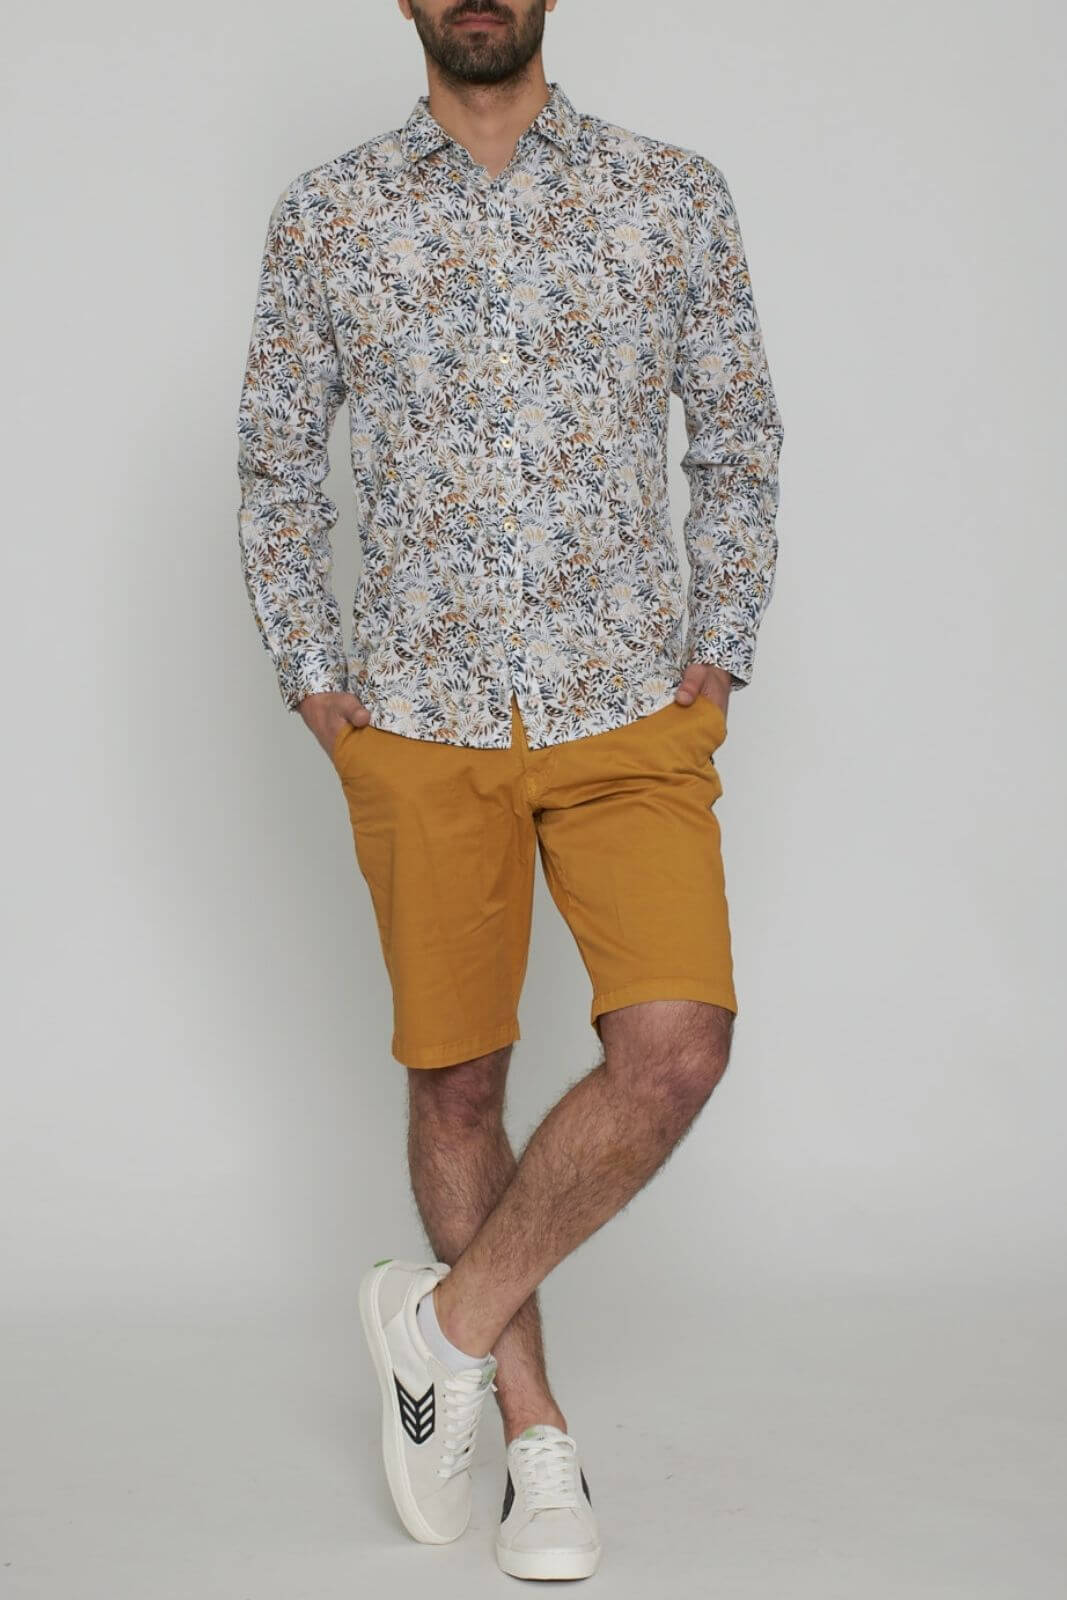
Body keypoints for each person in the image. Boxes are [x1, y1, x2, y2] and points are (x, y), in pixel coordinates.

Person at [236, 0, 782, 1581]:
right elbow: (277, 466)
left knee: (676, 1049)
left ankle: (443, 1329)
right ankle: (539, 1447)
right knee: (459, 1084)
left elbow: (736, 436)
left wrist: (719, 646)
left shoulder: (671, 193)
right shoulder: (331, 213)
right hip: (419, 715)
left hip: (627, 710)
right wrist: (316, 679)